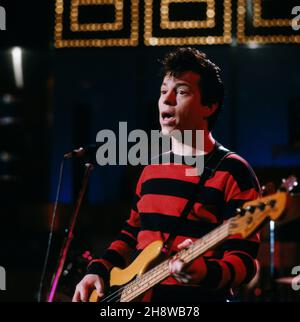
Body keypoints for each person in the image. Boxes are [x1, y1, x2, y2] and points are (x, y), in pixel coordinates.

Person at [72, 47, 261, 302]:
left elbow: (244, 263)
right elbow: (131, 234)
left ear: (209, 106)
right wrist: (98, 270)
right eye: (163, 91)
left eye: (181, 91)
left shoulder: (234, 171)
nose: (166, 99)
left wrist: (203, 272)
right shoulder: (151, 169)